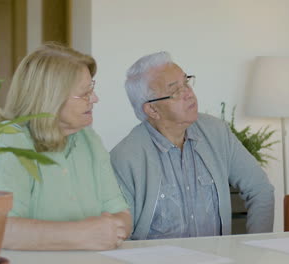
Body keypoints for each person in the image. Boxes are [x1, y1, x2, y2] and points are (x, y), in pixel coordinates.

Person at [0, 43, 132, 250]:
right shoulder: (8, 140)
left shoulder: (88, 138)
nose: (95, 99)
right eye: (84, 93)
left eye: (91, 89)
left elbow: (122, 214)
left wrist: (110, 230)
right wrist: (81, 235)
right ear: (50, 98)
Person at [110, 51, 274, 240]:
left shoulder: (216, 132)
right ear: (152, 109)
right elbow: (120, 235)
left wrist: (257, 247)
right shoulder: (125, 158)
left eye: (186, 82)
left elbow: (260, 189)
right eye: (175, 90)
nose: (188, 93)